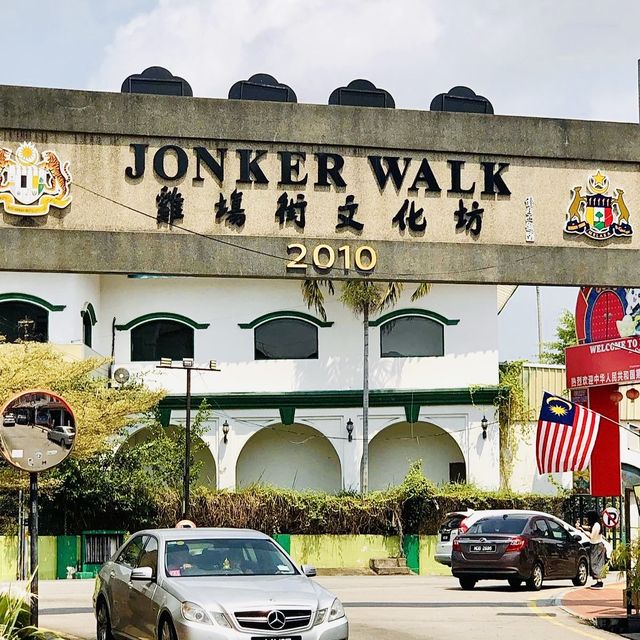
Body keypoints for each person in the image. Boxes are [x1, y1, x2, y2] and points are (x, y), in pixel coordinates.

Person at [576, 510, 606, 589]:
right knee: (597, 563)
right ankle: (599, 581)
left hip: (596, 545)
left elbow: (591, 536)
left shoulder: (596, 525)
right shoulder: (597, 524)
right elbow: (589, 528)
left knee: (595, 563)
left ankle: (599, 582)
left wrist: (582, 530)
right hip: (597, 545)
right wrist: (581, 527)